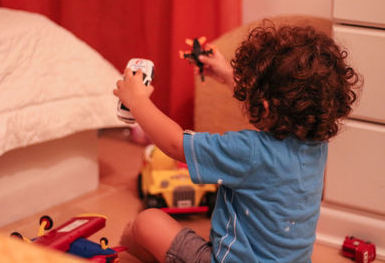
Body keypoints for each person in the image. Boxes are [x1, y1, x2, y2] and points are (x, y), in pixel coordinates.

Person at [113, 21, 361, 263]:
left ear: (263, 107)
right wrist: (226, 75)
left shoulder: (249, 151)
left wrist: (138, 101)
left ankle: (128, 250)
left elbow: (176, 144)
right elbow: (275, 107)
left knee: (147, 223)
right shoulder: (317, 144)